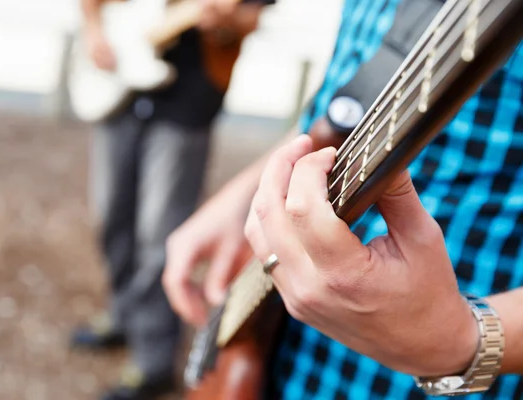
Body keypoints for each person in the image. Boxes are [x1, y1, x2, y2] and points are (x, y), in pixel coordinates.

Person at [163, 0, 523, 398]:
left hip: (427, 381)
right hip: (290, 354)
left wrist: (465, 339)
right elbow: (352, 96)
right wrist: (247, 193)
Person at [70, 0, 274, 399]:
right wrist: (95, 31)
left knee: (162, 231)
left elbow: (251, 15)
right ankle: (122, 315)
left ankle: (153, 359)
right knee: (111, 215)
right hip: (120, 88)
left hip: (187, 100)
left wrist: (226, 21)